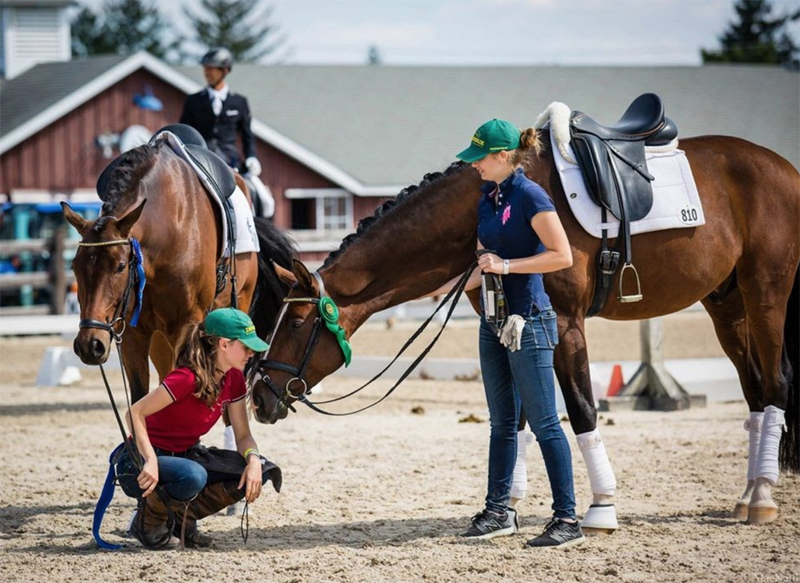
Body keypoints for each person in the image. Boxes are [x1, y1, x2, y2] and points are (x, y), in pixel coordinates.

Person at [433, 119, 584, 547]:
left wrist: (506, 267)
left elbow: (561, 256)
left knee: (545, 424)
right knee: (501, 423)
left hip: (530, 321)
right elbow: (484, 257)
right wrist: (444, 287)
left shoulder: (532, 196)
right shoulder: (488, 197)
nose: (473, 165)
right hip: (494, 321)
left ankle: (567, 519)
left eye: (479, 157)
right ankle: (499, 511)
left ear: (502, 156)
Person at [116, 308, 281, 549]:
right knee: (193, 475)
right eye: (246, 347)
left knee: (264, 469)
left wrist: (253, 461)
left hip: (186, 456)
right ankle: (148, 523)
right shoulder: (186, 377)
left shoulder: (234, 378)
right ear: (224, 344)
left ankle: (181, 520)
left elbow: (243, 435)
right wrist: (149, 459)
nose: (251, 353)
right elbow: (134, 414)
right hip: (140, 463)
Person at [180, 47, 274, 218]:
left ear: (224, 70)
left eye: (211, 68)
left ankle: (257, 234)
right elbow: (184, 131)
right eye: (205, 68)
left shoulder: (239, 102)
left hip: (231, 159)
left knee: (266, 201)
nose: (207, 72)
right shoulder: (193, 101)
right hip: (201, 157)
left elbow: (247, 135)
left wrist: (252, 156)